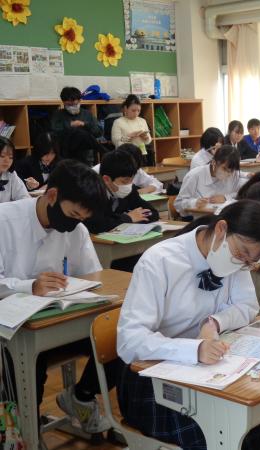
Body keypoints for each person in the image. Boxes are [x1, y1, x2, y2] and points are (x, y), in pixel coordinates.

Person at [116, 200, 260, 450]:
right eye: (241, 254)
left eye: (249, 261)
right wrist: (194, 350)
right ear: (221, 229)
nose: (242, 264)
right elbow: (130, 342)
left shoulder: (234, 258)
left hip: (206, 372)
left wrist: (214, 322)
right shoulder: (160, 261)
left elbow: (247, 307)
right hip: (152, 376)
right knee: (219, 429)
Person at [0, 159, 116, 433]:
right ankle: (24, 433)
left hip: (58, 320)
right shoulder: (5, 221)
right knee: (30, 363)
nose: (75, 224)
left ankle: (81, 395)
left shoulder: (76, 229)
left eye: (82, 219)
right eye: (73, 214)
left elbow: (93, 276)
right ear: (52, 195)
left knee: (120, 337)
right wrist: (29, 286)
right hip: (13, 327)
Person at [83, 149, 159, 234]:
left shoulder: (130, 189)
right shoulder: (93, 193)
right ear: (106, 179)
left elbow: (153, 213)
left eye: (132, 180)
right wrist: (127, 218)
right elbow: (96, 225)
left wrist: (134, 218)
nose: (129, 185)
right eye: (124, 181)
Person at [175, 145, 247, 218]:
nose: (228, 174)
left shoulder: (234, 175)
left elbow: (243, 194)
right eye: (224, 169)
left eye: (231, 171)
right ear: (214, 162)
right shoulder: (194, 175)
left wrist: (226, 198)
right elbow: (178, 204)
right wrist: (194, 203)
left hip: (226, 218)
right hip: (202, 219)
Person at [111, 94, 153, 165]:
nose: (136, 113)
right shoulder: (118, 122)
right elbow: (116, 143)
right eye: (133, 110)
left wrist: (145, 137)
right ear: (125, 108)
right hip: (126, 156)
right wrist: (129, 137)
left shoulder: (142, 121)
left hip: (142, 154)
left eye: (138, 111)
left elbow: (148, 140)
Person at [0, 137, 29, 203]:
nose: (7, 161)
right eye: (2, 156)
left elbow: (24, 198)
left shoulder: (11, 174)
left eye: (11, 157)